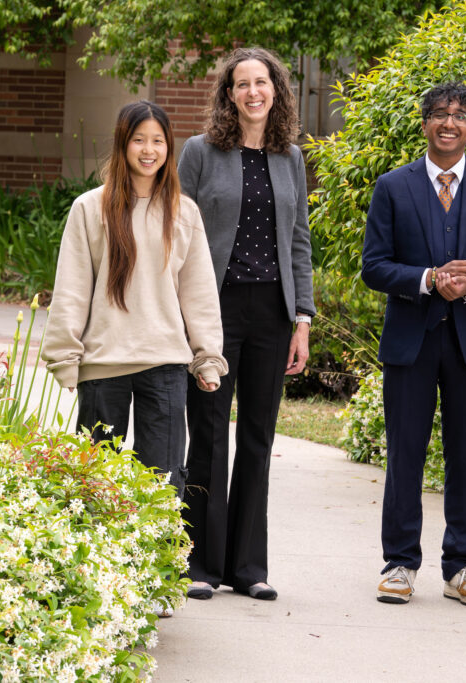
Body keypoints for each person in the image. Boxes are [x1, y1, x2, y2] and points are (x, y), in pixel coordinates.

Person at [362, 81, 466, 607]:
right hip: (410, 340)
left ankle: (462, 566)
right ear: (426, 122)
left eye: (460, 116)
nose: (449, 122)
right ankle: (400, 563)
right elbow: (374, 266)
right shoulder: (393, 186)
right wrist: (430, 278)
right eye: (439, 113)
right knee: (405, 454)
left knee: (465, 455)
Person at [178, 46, 315, 602]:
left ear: (276, 91)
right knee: (209, 432)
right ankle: (201, 565)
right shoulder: (199, 152)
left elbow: (299, 239)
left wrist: (301, 318)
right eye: (242, 84)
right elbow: (176, 232)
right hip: (214, 309)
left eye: (263, 83)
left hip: (272, 312)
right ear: (228, 94)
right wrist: (181, 316)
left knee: (258, 436)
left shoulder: (290, 158)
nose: (254, 92)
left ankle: (248, 567)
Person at [43, 100, 227, 504]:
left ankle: (157, 566)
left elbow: (198, 292)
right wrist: (65, 356)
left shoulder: (183, 213)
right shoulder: (90, 208)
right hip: (103, 366)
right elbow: (72, 287)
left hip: (164, 366)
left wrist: (207, 356)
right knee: (92, 485)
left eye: (158, 141)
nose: (149, 150)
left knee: (161, 487)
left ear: (168, 148)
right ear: (123, 144)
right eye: (139, 140)